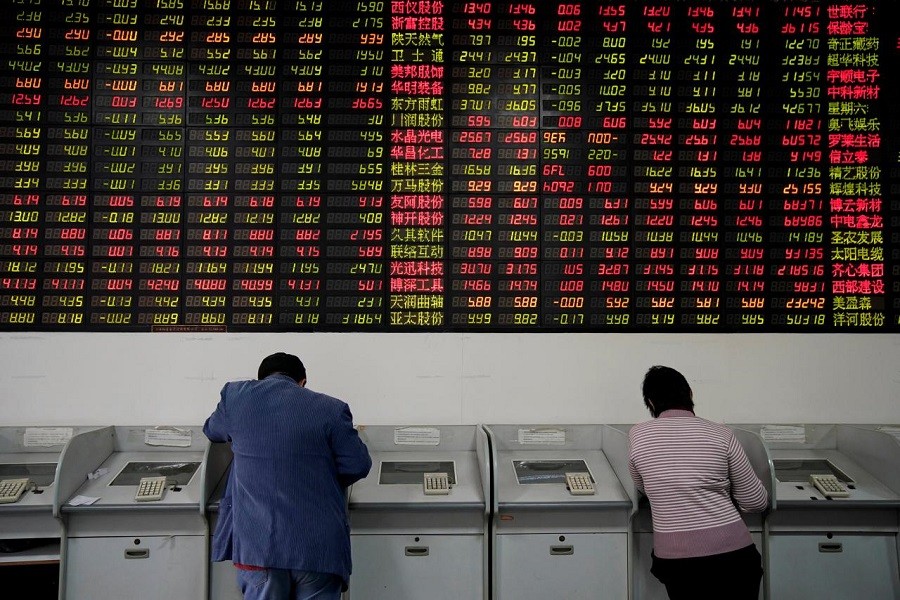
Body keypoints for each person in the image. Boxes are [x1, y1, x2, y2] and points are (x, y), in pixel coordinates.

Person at [204, 352, 372, 600]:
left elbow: (212, 430)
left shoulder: (236, 398)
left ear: (260, 380)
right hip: (318, 549)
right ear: (302, 381)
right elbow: (358, 464)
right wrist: (320, 477)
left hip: (259, 547)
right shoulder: (332, 409)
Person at [627, 365, 768, 600]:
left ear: (650, 403)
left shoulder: (637, 436)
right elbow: (755, 501)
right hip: (733, 556)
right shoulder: (721, 434)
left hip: (676, 561)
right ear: (691, 394)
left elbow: (645, 487)